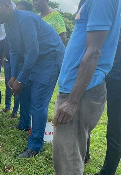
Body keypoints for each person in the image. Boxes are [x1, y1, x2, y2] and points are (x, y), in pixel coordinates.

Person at [52, 0, 121, 174]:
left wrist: (72, 101)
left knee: (69, 161)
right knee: (68, 154)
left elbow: (94, 52)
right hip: (77, 87)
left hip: (80, 90)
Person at [0, 0, 65, 158]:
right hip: (35, 59)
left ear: (7, 7)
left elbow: (32, 52)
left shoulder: (26, 20)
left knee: (38, 101)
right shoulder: (8, 24)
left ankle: (35, 145)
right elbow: (15, 52)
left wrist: (20, 79)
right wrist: (14, 76)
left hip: (50, 59)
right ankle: (24, 124)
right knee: (23, 93)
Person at [96, 35, 121, 175]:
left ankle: (108, 171)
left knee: (115, 129)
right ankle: (85, 156)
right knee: (87, 118)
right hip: (103, 75)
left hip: (117, 81)